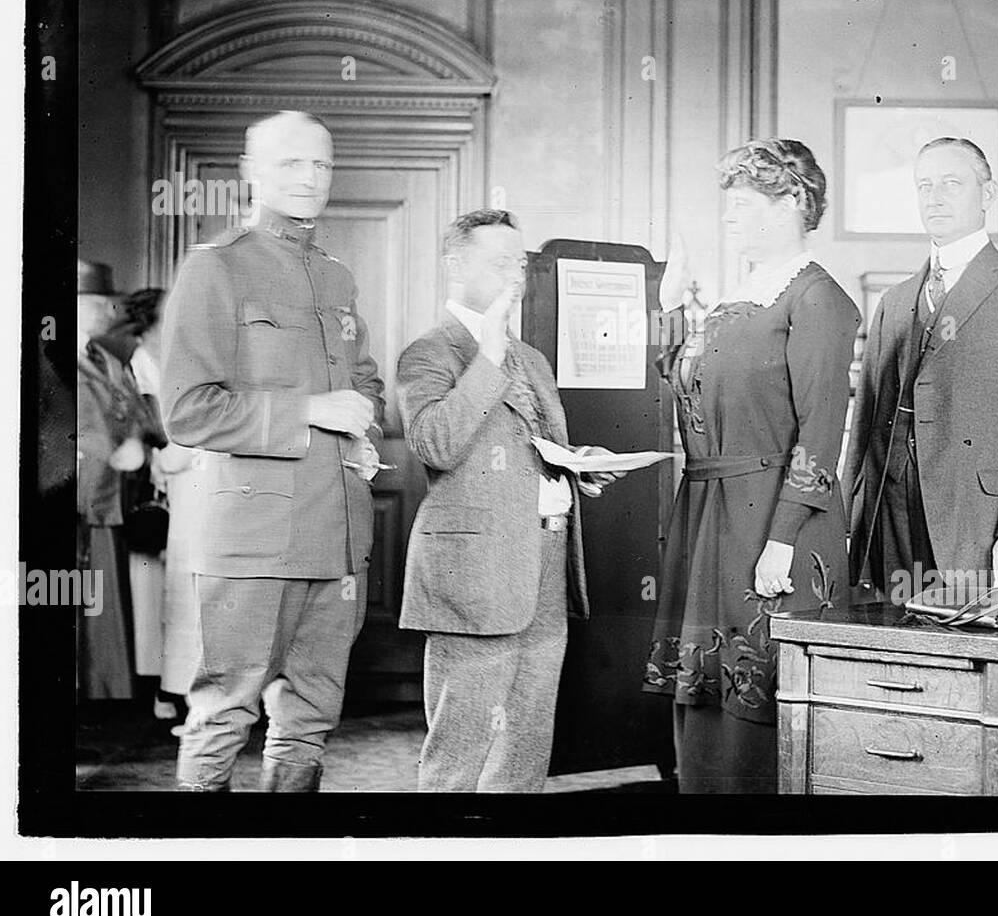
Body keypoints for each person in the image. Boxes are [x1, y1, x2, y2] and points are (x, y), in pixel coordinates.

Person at [160, 110, 385, 792]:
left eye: (321, 163)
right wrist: (311, 411)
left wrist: (362, 429)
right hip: (252, 538)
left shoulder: (337, 275)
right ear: (252, 173)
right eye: (291, 163)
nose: (310, 177)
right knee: (225, 710)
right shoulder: (216, 268)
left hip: (337, 530)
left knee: (310, 718)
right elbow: (187, 410)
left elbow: (361, 377)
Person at [642, 139, 860, 793]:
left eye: (744, 204)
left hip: (772, 524)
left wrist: (782, 540)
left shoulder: (819, 301)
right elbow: (686, 390)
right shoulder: (740, 302)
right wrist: (670, 309)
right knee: (705, 708)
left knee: (756, 715)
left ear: (793, 202)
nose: (729, 218)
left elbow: (822, 437)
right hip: (711, 517)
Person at [396, 209, 621, 792]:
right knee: (460, 744)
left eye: (519, 263)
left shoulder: (533, 358)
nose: (516, 275)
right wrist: (489, 358)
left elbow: (531, 447)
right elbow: (435, 444)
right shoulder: (429, 353)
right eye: (500, 263)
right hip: (475, 573)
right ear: (455, 265)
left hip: (545, 564)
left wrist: (575, 468)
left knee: (525, 742)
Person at [843, 137, 998, 605]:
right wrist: (850, 520)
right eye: (924, 186)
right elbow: (867, 426)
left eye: (952, 183)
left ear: (987, 195)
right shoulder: (895, 302)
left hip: (979, 525)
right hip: (888, 521)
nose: (935, 197)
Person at [76, 261, 163, 700]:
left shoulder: (107, 358)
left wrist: (138, 441)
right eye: (93, 302)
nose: (106, 310)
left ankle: (93, 705)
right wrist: (107, 452)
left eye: (104, 301)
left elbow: (143, 419)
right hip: (74, 499)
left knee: (98, 609)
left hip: (107, 500)